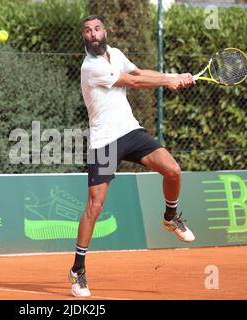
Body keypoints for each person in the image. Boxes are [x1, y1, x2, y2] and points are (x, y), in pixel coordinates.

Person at [68, 15, 196, 298]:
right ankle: (78, 270)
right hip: (104, 142)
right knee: (95, 206)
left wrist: (171, 77)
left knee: (173, 170)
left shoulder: (116, 54)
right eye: (87, 31)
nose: (93, 34)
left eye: (97, 29)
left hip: (130, 131)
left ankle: (170, 216)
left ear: (105, 31)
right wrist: (169, 81)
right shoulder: (90, 67)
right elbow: (132, 84)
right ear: (84, 37)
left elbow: (137, 74)